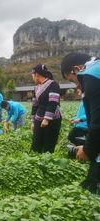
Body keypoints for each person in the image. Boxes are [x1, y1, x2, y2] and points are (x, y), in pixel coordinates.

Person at [61, 53, 100, 194]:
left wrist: (88, 150)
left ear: (76, 69)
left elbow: (98, 121)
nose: (76, 85)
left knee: (92, 188)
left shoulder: (90, 76)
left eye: (72, 80)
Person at [31, 64, 62, 153]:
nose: (32, 77)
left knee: (48, 146)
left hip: (52, 119)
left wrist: (46, 119)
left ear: (37, 74)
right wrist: (33, 121)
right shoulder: (36, 88)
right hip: (38, 118)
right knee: (36, 145)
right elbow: (35, 106)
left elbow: (53, 102)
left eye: (32, 75)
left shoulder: (53, 84)